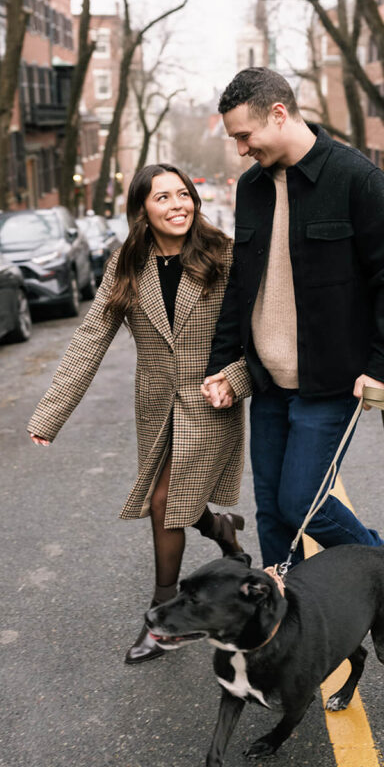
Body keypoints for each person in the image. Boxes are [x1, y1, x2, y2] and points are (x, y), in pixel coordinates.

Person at [28, 164, 251, 664]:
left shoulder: (223, 254)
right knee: (179, 501)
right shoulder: (126, 264)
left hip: (212, 400)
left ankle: (163, 618)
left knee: (164, 500)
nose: (177, 205)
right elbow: (91, 338)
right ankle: (223, 532)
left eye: (183, 195)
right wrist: (51, 414)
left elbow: (254, 333)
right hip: (155, 406)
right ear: (142, 210)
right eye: (163, 198)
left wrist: (235, 381)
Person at [201, 67, 384, 568]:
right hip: (268, 383)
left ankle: (382, 573)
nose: (240, 149)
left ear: (278, 114)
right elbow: (241, 284)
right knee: (272, 515)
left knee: (303, 503)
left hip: (330, 383)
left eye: (244, 136)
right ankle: (290, 618)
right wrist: (221, 363)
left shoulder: (356, 178)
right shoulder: (251, 188)